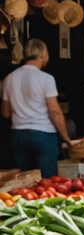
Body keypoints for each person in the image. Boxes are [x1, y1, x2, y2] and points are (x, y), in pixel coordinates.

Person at [2, 40, 77, 176]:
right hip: (43, 134)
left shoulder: (9, 78)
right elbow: (54, 111)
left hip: (18, 134)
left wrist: (21, 105)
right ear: (43, 55)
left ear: (25, 56)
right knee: (46, 181)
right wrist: (66, 138)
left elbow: (6, 113)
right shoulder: (46, 79)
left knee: (22, 181)